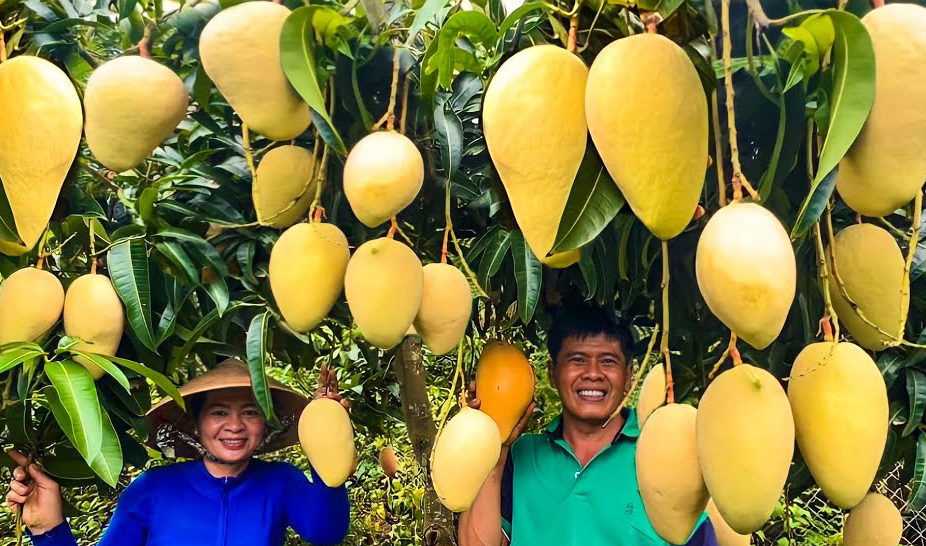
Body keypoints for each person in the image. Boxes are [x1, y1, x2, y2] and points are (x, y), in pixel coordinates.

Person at [6, 358, 351, 546]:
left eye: (250, 412)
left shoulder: (281, 483)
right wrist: (48, 529)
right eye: (218, 413)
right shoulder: (152, 489)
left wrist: (328, 443)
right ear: (195, 424)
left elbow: (326, 531)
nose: (235, 425)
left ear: (265, 424)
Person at [459, 305, 718, 546]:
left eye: (607, 361)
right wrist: (496, 449)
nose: (593, 373)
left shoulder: (662, 451)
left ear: (629, 376)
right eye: (577, 360)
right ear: (552, 373)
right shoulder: (521, 456)